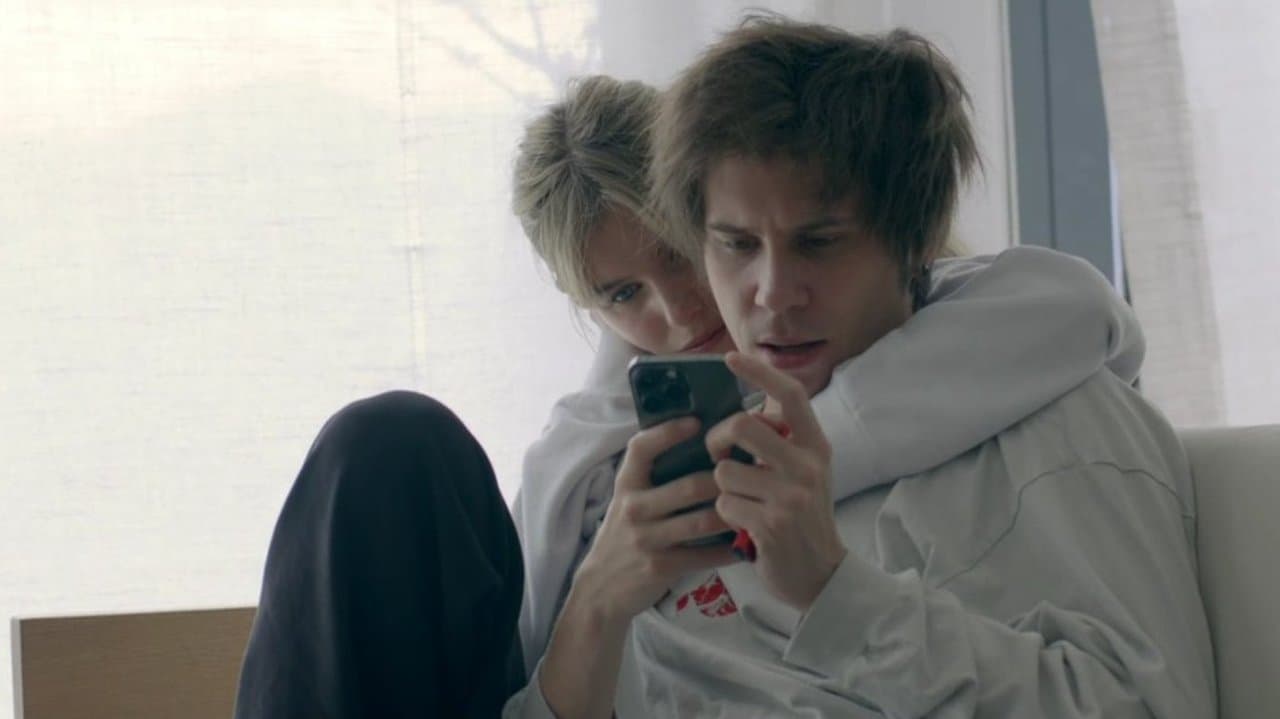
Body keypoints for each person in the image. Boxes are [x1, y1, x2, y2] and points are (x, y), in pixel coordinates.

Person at [234, 73, 1149, 718]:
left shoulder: (989, 360)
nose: (677, 313)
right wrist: (597, 599)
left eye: (680, 256)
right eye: (621, 294)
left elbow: (1069, 308)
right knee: (385, 443)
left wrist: (816, 541)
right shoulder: (599, 456)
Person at [508, 18, 1215, 718]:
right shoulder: (654, 475)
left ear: (915, 241)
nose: (771, 293)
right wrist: (596, 602)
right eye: (736, 245)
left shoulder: (1055, 418)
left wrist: (832, 588)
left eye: (818, 243)